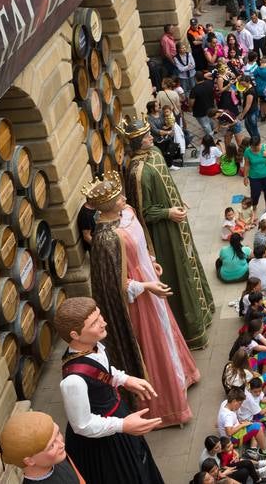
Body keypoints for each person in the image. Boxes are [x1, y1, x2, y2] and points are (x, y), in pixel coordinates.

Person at [86, 172, 200, 426]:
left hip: (149, 284)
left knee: (166, 333)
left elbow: (141, 246)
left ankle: (182, 377)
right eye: (118, 198)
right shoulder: (106, 238)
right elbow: (115, 285)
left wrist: (152, 263)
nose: (124, 198)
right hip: (137, 301)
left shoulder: (127, 212)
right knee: (154, 343)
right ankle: (166, 405)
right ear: (106, 206)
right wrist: (147, 285)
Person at [122, 116, 216, 349]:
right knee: (179, 271)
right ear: (136, 142)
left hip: (177, 222)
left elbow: (166, 183)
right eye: (145, 136)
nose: (151, 137)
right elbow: (144, 211)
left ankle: (205, 311)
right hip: (164, 232)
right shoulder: (137, 172)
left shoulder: (154, 152)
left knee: (190, 260)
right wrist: (168, 212)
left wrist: (177, 199)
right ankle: (190, 331)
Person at [54, 297, 165, 484]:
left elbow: (102, 371)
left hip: (117, 417)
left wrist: (124, 379)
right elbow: (82, 425)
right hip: (102, 443)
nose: (103, 323)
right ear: (75, 334)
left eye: (100, 316)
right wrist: (123, 426)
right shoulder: (73, 381)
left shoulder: (94, 347)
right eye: (95, 322)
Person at [0, 410, 86, 484]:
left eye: (58, 433)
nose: (61, 444)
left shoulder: (58, 458)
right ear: (30, 461)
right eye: (52, 445)